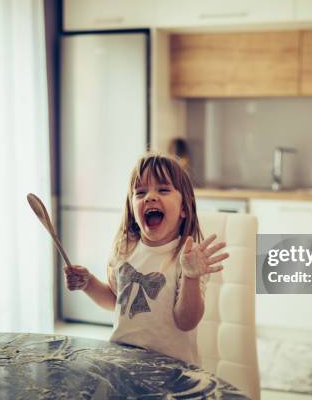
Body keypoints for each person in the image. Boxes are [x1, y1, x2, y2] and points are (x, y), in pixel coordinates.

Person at [63, 153, 229, 365]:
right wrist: (89, 284)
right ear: (132, 209)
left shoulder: (189, 259)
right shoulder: (125, 249)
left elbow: (186, 321)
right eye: (140, 192)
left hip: (172, 370)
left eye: (163, 189)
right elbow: (117, 302)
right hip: (123, 361)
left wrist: (191, 277)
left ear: (184, 208)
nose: (150, 196)